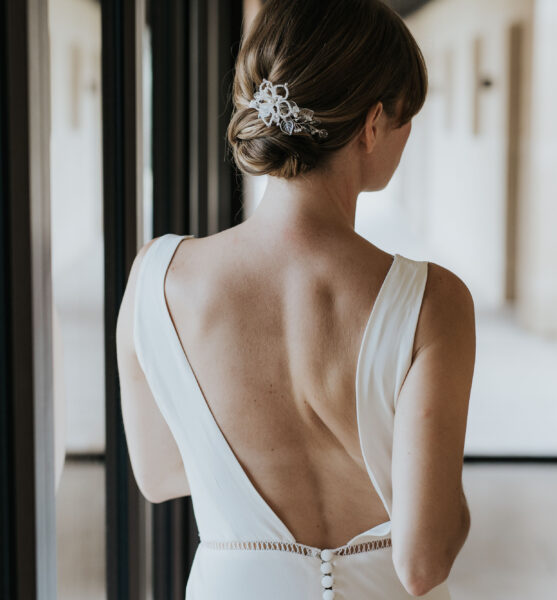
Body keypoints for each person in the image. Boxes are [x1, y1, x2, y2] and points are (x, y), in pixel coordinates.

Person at [116, 0, 475, 598]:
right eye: (408, 116)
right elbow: (422, 563)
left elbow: (156, 476)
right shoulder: (433, 300)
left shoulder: (157, 278)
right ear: (372, 123)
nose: (410, 133)